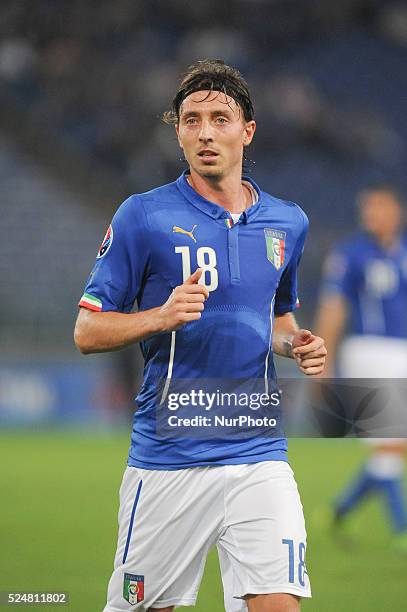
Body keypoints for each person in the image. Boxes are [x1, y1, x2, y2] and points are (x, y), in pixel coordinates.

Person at [74, 59, 327, 612]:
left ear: (248, 131)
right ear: (179, 132)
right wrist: (158, 317)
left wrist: (295, 343)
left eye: (220, 117)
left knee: (279, 606)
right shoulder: (143, 216)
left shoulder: (289, 223)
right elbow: (88, 330)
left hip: (259, 451)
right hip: (171, 456)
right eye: (191, 119)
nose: (205, 131)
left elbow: (278, 317)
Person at [315, 185, 407, 550]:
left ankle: (340, 510)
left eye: (379, 207)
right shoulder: (350, 255)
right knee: (392, 443)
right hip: (369, 351)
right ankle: (401, 527)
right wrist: (323, 360)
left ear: (396, 211)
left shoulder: (402, 254)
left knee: (392, 446)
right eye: (367, 208)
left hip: (401, 351)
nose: (372, 215)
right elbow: (333, 309)